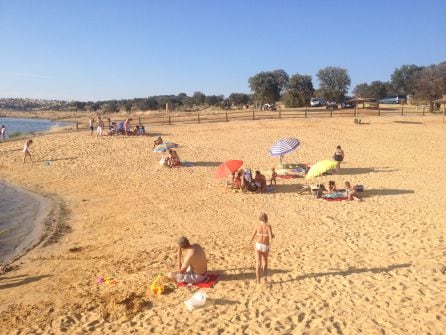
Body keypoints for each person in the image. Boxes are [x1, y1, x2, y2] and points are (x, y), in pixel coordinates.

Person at [249, 213, 274, 284]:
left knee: (258, 262)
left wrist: (249, 242)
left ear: (259, 219)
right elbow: (270, 237)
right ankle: (265, 278)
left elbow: (252, 236)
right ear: (266, 219)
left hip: (258, 245)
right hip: (265, 245)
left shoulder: (257, 226)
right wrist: (273, 236)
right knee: (265, 261)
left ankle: (258, 280)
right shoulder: (268, 226)